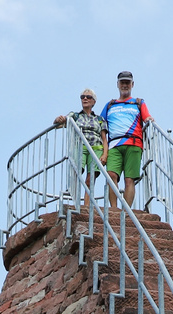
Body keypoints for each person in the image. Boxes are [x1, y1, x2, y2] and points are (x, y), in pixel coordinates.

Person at [100, 71, 151, 208]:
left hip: (134, 143)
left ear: (132, 84)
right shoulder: (110, 105)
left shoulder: (138, 103)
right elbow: (100, 125)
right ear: (117, 84)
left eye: (127, 82)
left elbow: (147, 117)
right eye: (122, 82)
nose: (125, 85)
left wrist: (149, 120)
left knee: (129, 180)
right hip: (114, 144)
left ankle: (126, 212)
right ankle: (114, 209)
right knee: (111, 175)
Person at [53, 88, 106, 214]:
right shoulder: (75, 116)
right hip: (80, 147)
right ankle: (76, 202)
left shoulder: (99, 119)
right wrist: (58, 120)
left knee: (90, 178)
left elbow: (104, 138)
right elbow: (60, 124)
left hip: (96, 148)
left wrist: (105, 154)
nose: (85, 99)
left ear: (93, 101)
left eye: (88, 97)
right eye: (82, 97)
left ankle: (86, 206)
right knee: (77, 173)